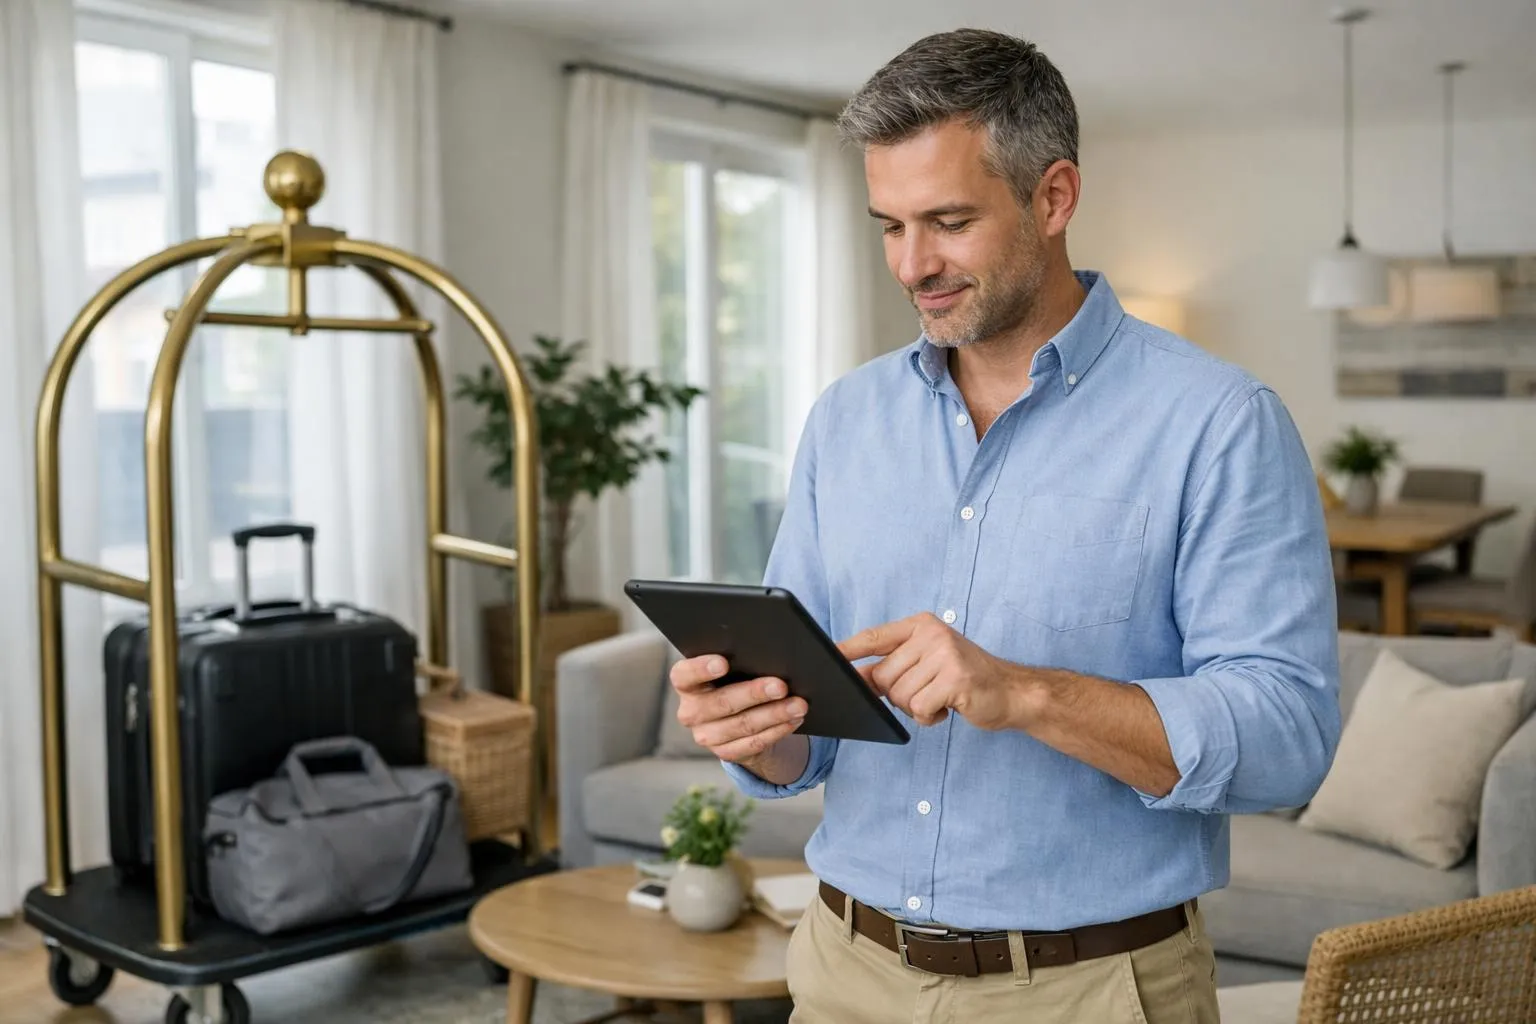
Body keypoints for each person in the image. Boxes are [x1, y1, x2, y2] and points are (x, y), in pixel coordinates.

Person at [669, 27, 1340, 1024]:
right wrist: (754, 729)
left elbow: (1288, 735)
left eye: (946, 221)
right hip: (842, 972)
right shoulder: (844, 422)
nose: (912, 264)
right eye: (888, 226)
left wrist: (1022, 690)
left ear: (1053, 197)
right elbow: (805, 744)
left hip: (1091, 991)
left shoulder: (1219, 422)